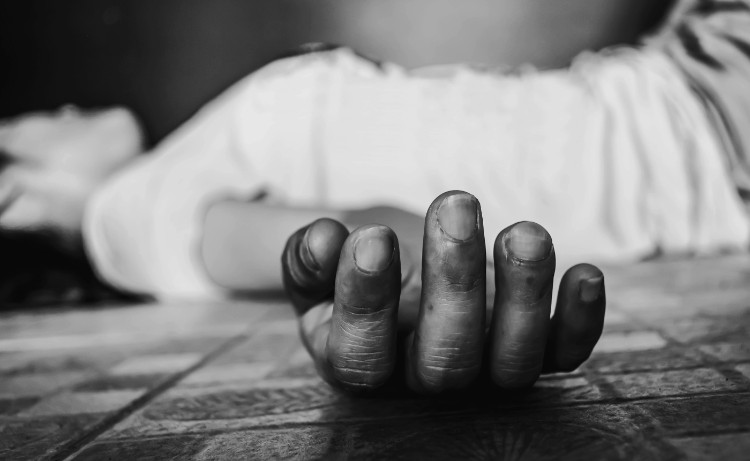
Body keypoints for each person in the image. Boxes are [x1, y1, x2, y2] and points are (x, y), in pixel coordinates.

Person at [1, 0, 748, 394]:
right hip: (708, 123)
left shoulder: (166, 174)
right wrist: (427, 277)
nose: (58, 110)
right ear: (8, 197)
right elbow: (359, 241)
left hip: (680, 75)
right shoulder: (123, 216)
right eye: (24, 122)